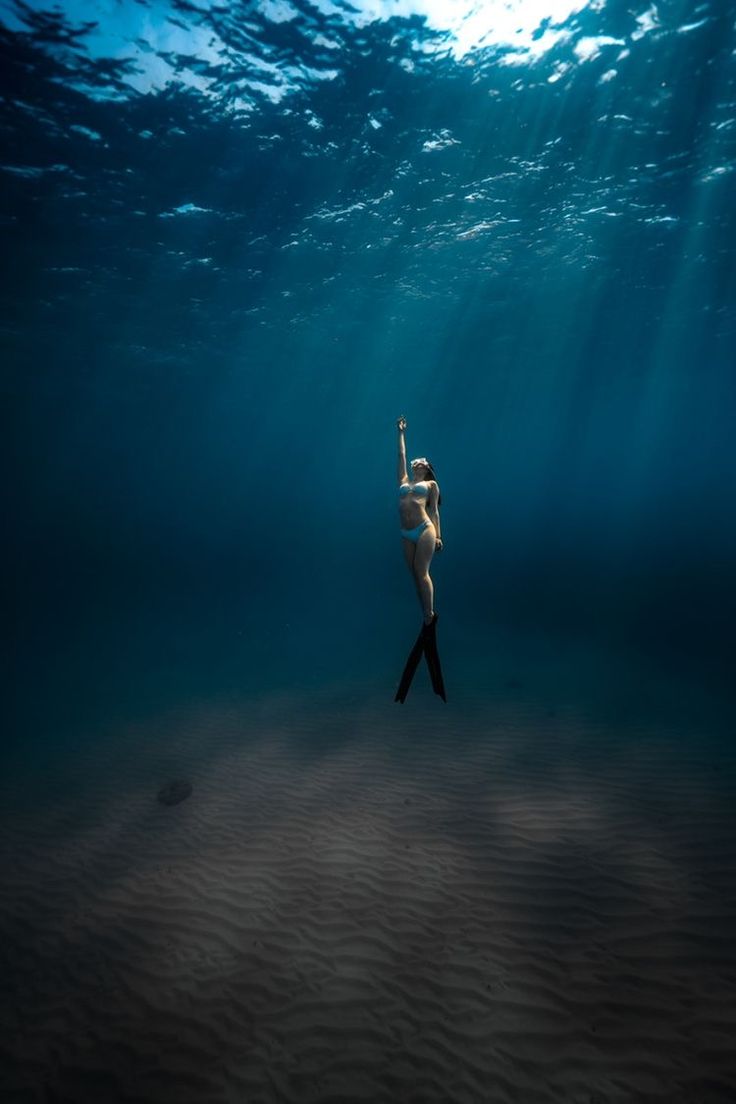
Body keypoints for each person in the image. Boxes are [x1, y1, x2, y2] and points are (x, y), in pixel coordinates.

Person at [397, 415, 443, 626]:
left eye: (421, 464)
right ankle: (424, 611)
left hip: (425, 529)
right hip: (406, 533)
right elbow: (401, 455)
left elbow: (434, 510)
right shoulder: (404, 480)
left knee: (422, 572)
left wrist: (439, 536)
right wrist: (401, 433)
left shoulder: (431, 485)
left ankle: (429, 615)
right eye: (416, 463)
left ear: (426, 468)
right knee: (414, 576)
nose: (417, 465)